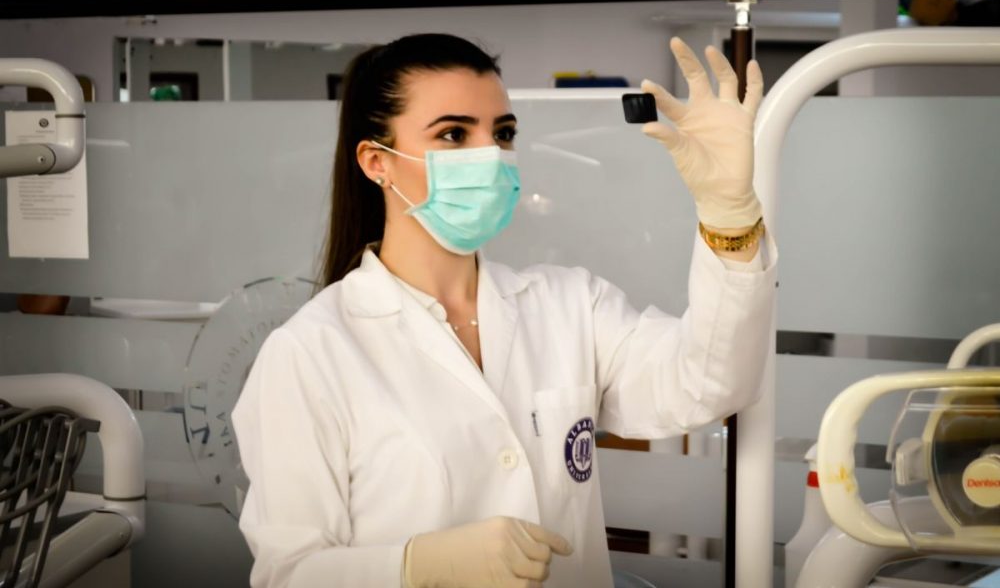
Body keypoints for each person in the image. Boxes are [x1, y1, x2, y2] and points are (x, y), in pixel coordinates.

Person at [232, 33, 777, 588]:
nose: (490, 155)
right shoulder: (310, 354)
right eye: (453, 134)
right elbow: (289, 573)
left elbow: (712, 382)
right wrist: (415, 567)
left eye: (503, 133)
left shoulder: (570, 305)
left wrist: (729, 214)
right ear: (377, 162)